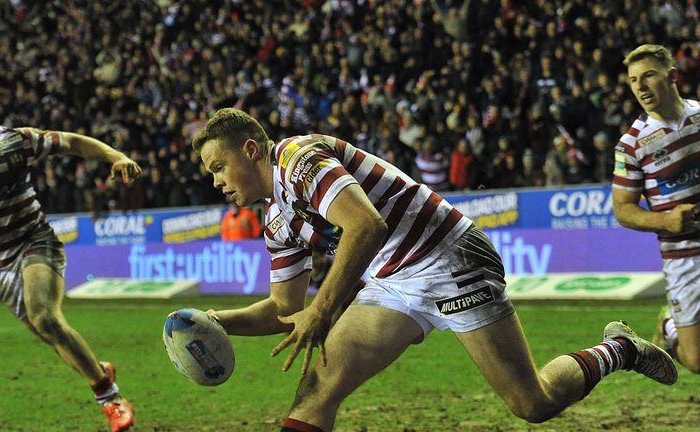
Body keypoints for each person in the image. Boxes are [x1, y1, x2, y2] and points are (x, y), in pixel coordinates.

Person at [189, 108, 677, 432]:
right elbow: (284, 309)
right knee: (316, 391)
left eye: (217, 166)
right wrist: (216, 322)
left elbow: (365, 226)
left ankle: (620, 350)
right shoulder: (276, 218)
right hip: (392, 283)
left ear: (250, 150)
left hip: (449, 257)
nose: (215, 181)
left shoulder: (298, 159)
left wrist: (324, 307)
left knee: (533, 403)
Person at [0, 76, 138, 432]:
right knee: (53, 335)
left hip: (35, 241)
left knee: (44, 316)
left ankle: (112, 398)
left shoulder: (15, 141)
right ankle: (100, 371)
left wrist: (115, 155)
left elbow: (71, 142)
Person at [612, 44, 700, 375]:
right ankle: (668, 326)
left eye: (648, 75)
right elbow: (623, 209)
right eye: (634, 80)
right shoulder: (632, 144)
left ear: (672, 76)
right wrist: (666, 220)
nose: (641, 86)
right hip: (683, 256)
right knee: (695, 360)